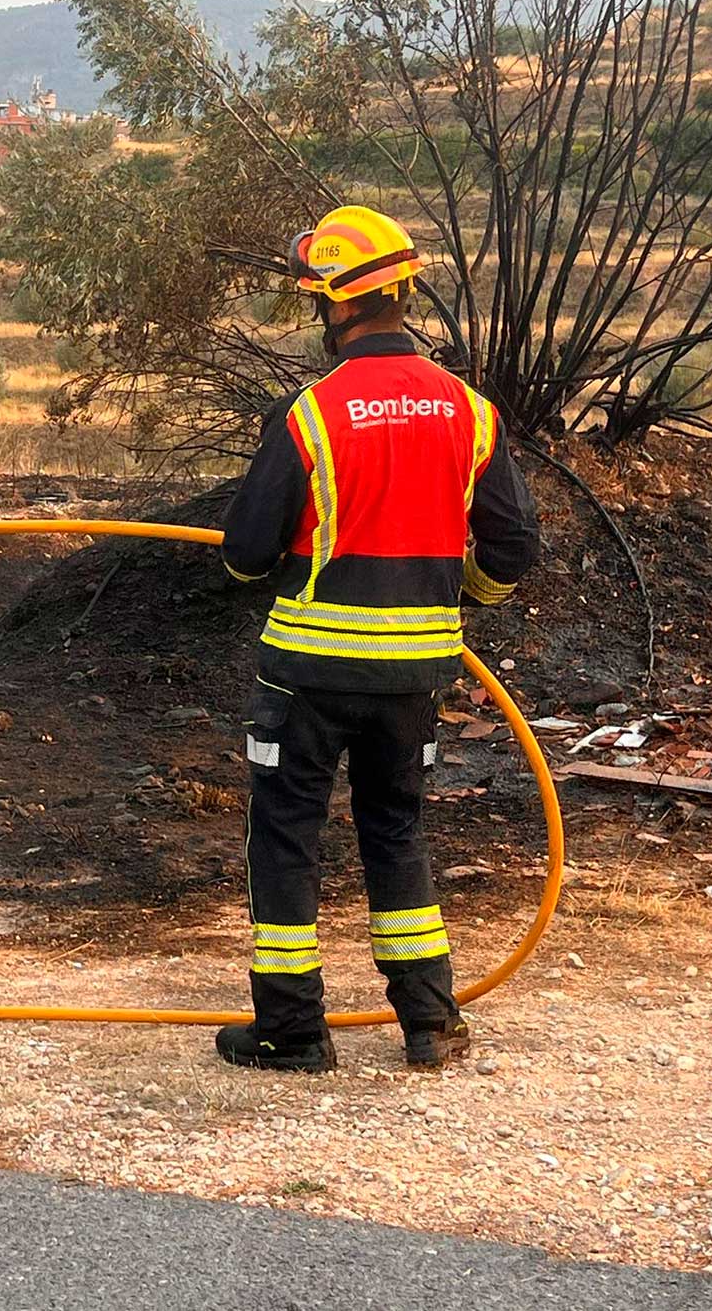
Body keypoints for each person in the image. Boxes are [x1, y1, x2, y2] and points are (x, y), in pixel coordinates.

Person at [216, 206, 540, 1072]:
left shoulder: (310, 415)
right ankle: (429, 1022)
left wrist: (276, 563)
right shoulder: (470, 412)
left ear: (336, 302)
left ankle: (292, 1030)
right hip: (413, 676)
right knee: (395, 829)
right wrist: (463, 594)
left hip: (308, 675)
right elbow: (513, 544)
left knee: (286, 835)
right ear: (401, 293)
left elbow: (244, 555)